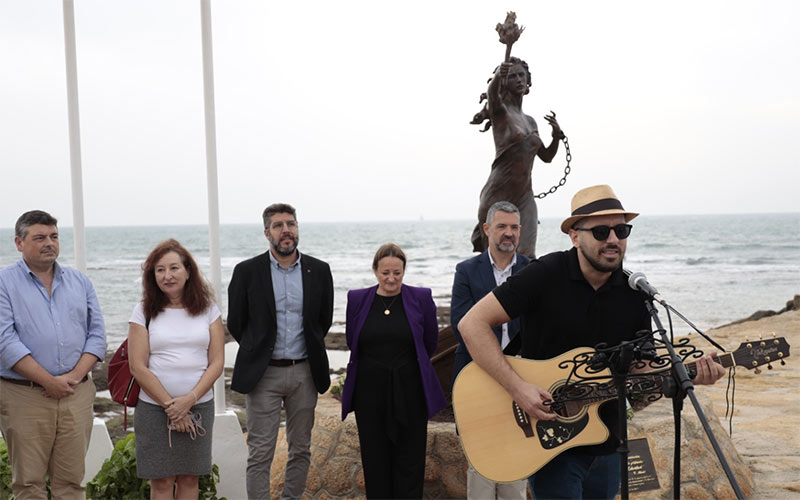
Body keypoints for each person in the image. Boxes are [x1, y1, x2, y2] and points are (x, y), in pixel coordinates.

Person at [458, 185, 726, 499]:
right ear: (574, 234)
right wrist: (518, 388)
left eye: (621, 230)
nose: (613, 239)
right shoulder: (544, 274)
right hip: (551, 442)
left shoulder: (634, 292)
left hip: (609, 443)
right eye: (601, 231)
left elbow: (641, 366)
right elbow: (472, 323)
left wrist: (688, 373)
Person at [228, 203, 334, 500]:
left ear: (297, 228)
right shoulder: (247, 272)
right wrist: (258, 350)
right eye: (278, 225)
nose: (286, 230)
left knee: (301, 449)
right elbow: (237, 322)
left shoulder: (320, 270)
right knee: (261, 452)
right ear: (267, 233)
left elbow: (322, 321)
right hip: (264, 375)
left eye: (291, 223)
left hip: (305, 374)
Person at [0, 210, 107, 498]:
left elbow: (97, 336)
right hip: (25, 396)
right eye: (40, 237)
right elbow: (5, 341)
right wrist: (49, 380)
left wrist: (71, 378)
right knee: (28, 485)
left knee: (71, 484)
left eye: (54, 236)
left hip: (76, 394)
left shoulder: (80, 282)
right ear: (19, 242)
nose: (49, 242)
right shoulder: (3, 283)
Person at [340, 243, 447, 499]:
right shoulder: (357, 299)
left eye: (397, 273)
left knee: (410, 462)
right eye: (385, 272)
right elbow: (351, 339)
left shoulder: (421, 297)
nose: (391, 278)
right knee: (375, 461)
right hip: (369, 394)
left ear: (404, 271)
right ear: (375, 270)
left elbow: (430, 342)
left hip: (410, 392)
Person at [127, 239, 224, 499]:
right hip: (153, 409)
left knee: (190, 479)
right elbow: (137, 366)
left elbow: (216, 363)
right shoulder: (143, 311)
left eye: (173, 268)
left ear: (188, 271)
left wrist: (189, 401)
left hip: (199, 406)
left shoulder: (208, 310)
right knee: (161, 481)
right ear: (152, 275)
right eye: (160, 270)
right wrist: (172, 407)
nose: (167, 276)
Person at [451, 201, 530, 500]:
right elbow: (461, 322)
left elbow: (539, 320)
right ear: (487, 230)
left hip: (522, 374)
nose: (508, 233)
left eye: (513, 227)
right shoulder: (466, 271)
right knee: (480, 461)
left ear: (520, 231)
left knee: (519, 455)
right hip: (476, 374)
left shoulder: (531, 270)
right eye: (501, 226)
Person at [470, 57, 563, 259]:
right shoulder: (500, 113)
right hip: (498, 191)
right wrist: (497, 76)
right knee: (494, 256)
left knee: (526, 254)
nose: (519, 79)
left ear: (528, 79)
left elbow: (546, 157)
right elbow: (492, 93)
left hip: (525, 196)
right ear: (505, 81)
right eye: (512, 76)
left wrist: (556, 135)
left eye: (522, 75)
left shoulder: (530, 121)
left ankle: (527, 291)